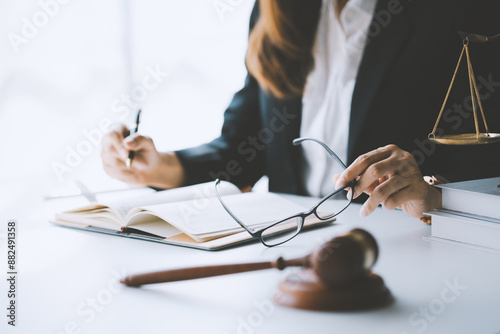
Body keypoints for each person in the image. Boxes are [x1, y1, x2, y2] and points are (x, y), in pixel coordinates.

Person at [101, 0, 500, 220]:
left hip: (411, 250)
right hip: (291, 248)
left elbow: (488, 154)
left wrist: (434, 191)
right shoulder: (276, 11)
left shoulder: (460, 11)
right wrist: (158, 166)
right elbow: (245, 148)